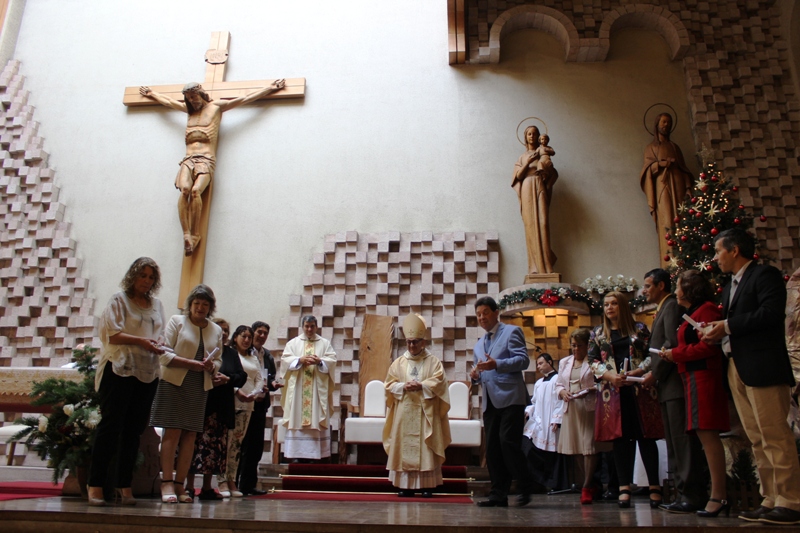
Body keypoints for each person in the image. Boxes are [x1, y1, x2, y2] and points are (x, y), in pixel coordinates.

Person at [701, 228, 800, 524]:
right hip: (737, 366)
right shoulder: (729, 286)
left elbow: (771, 314)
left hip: (763, 366)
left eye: (718, 251)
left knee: (775, 435)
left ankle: (791, 500)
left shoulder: (763, 275)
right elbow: (736, 325)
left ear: (734, 250)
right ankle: (770, 497)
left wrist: (727, 326)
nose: (715, 258)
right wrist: (716, 332)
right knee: (756, 438)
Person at [138, 79, 285, 255]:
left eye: (194, 96)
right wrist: (152, 94)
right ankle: (186, 234)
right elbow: (169, 102)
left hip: (206, 159)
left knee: (195, 191)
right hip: (188, 159)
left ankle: (196, 234)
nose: (192, 101)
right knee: (184, 190)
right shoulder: (189, 111)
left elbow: (244, 98)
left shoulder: (216, 107)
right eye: (189, 98)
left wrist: (270, 88)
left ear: (201, 93)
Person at [87, 257, 166, 506]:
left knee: (134, 431)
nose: (147, 281)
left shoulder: (156, 305)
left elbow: (161, 333)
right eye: (143, 275)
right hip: (120, 368)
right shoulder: (119, 300)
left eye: (151, 277)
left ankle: (124, 484)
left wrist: (159, 344)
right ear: (133, 276)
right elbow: (112, 334)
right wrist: (141, 341)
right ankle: (96, 484)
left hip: (147, 371)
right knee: (111, 427)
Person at [659, 270, 729, 517]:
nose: (676, 291)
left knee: (708, 436)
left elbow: (708, 347)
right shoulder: (693, 312)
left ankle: (718, 496)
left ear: (689, 289)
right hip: (691, 377)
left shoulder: (707, 310)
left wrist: (675, 354)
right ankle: (715, 493)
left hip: (704, 377)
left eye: (678, 286)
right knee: (702, 435)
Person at [640, 268, 708, 513]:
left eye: (648, 285)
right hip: (667, 386)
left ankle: (691, 494)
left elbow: (671, 343)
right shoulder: (664, 307)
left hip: (674, 385)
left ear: (661, 286)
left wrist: (655, 374)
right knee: (673, 443)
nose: (644, 291)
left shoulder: (670, 307)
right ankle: (682, 494)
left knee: (682, 442)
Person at [149, 284, 223, 503]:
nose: (200, 308)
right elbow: (164, 353)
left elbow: (219, 359)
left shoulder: (215, 329)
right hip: (174, 382)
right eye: (196, 303)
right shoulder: (177, 321)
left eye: (205, 304)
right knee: (172, 433)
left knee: (190, 435)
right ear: (190, 304)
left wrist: (212, 366)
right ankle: (166, 482)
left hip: (198, 385)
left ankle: (180, 485)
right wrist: (191, 364)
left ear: (210, 307)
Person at [589, 291, 661, 509]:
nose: (609, 308)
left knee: (645, 438)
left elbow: (652, 354)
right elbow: (592, 361)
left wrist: (638, 371)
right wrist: (611, 377)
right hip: (614, 392)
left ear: (622, 306)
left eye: (614, 304)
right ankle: (623, 487)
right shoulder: (598, 333)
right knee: (621, 441)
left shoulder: (639, 329)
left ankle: (654, 486)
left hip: (639, 390)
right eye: (606, 305)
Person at [470, 296, 536, 507]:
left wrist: (497, 364)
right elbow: (481, 371)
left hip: (511, 398)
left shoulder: (511, 332)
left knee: (508, 442)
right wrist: (475, 376)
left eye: (485, 313)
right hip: (490, 401)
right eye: (478, 314)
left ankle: (526, 482)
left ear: (496, 312)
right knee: (492, 449)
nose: (482, 317)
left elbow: (522, 360)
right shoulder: (478, 345)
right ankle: (498, 495)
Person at [383, 313, 451, 497]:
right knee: (404, 446)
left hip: (425, 413)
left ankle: (427, 485)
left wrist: (422, 385)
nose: (412, 346)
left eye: (415, 342)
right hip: (404, 412)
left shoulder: (433, 362)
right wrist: (402, 386)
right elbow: (388, 385)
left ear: (423, 342)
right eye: (409, 342)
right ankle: (405, 486)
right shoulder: (398, 363)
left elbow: (440, 382)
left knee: (425, 446)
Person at [187, 322, 246, 501]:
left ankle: (207, 487)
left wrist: (228, 379)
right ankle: (188, 486)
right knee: (193, 445)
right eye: (221, 330)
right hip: (201, 403)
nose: (224, 333)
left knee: (214, 450)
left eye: (226, 331)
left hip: (221, 407)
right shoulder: (202, 347)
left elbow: (241, 376)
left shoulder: (231, 353)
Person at [554, 328, 610, 505]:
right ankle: (590, 483)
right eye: (573, 345)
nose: (576, 349)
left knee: (589, 447)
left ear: (587, 346)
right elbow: (558, 384)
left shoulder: (594, 362)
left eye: (579, 346)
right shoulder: (565, 362)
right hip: (571, 408)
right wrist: (562, 392)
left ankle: (586, 486)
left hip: (589, 407)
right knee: (577, 448)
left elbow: (604, 382)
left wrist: (590, 390)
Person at [280, 316, 337, 462]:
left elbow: (331, 362)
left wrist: (320, 362)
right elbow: (285, 362)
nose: (309, 329)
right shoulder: (293, 343)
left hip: (317, 390)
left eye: (312, 326)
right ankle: (296, 455)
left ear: (316, 327)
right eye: (306, 326)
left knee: (316, 417)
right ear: (302, 326)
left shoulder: (324, 343)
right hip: (298, 389)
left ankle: (315, 455)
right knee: (296, 416)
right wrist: (299, 360)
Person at [639, 112, 693, 266]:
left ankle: (684, 258)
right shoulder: (651, 148)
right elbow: (647, 170)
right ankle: (670, 262)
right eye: (663, 122)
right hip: (662, 186)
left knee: (681, 219)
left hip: (678, 185)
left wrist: (688, 187)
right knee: (667, 220)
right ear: (657, 124)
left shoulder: (675, 147)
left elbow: (683, 169)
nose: (666, 125)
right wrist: (660, 164)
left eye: (668, 122)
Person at [237, 321, 281, 496]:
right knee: (242, 445)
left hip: (260, 404)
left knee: (255, 447)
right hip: (244, 402)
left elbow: (269, 377)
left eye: (265, 333)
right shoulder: (244, 353)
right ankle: (235, 483)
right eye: (259, 332)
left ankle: (249, 484)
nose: (262, 336)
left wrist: (273, 384)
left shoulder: (267, 355)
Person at [217, 325, 261, 498]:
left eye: (249, 337)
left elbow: (259, 379)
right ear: (235, 337)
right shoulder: (230, 354)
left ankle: (232, 480)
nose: (247, 340)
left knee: (236, 445)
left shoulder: (253, 358)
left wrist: (254, 394)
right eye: (243, 336)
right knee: (225, 444)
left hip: (248, 404)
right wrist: (237, 391)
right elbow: (227, 374)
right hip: (231, 402)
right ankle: (221, 480)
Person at [512, 125, 558, 276]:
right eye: (529, 134)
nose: (532, 136)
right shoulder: (522, 157)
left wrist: (547, 175)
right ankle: (534, 267)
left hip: (539, 186)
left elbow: (553, 174)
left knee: (543, 223)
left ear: (539, 137)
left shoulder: (543, 153)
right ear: (525, 137)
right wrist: (527, 162)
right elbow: (518, 176)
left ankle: (547, 266)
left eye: (534, 134)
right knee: (531, 225)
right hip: (527, 187)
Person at [522, 352, 565, 491]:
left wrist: (556, 419)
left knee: (551, 454)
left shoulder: (558, 379)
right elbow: (534, 402)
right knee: (527, 447)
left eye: (541, 363)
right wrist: (528, 411)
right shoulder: (539, 383)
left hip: (550, 422)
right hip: (538, 421)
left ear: (550, 362)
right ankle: (537, 482)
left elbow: (560, 401)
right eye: (537, 364)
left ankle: (551, 483)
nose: (538, 367)